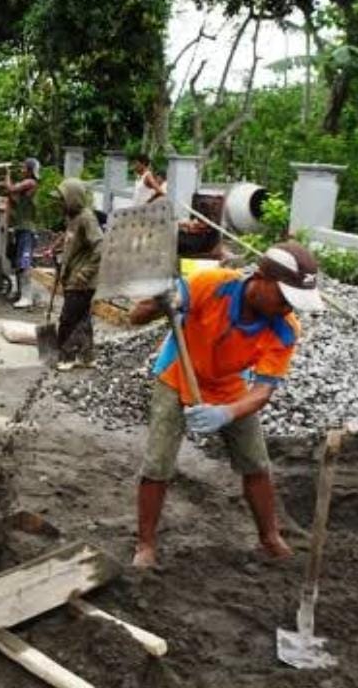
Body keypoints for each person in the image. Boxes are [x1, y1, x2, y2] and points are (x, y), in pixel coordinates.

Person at [129, 242, 324, 568]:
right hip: (178, 374)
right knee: (158, 463)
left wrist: (226, 413)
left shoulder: (285, 328)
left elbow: (262, 392)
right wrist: (162, 304)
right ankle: (146, 544)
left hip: (229, 387)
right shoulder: (212, 285)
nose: (288, 308)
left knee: (257, 464)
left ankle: (269, 537)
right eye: (285, 298)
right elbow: (135, 317)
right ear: (261, 278)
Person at [54, 178, 103, 371]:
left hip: (82, 282)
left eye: (62, 199)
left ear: (72, 198)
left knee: (68, 319)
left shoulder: (86, 218)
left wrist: (85, 273)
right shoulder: (72, 219)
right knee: (82, 319)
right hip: (73, 277)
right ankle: (87, 356)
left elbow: (100, 247)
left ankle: (67, 357)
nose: (60, 203)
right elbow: (71, 243)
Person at [6, 157, 40, 308]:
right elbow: (13, 198)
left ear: (30, 170)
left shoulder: (30, 182)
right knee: (18, 262)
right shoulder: (25, 187)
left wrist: (6, 176)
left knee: (24, 262)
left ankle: (27, 297)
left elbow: (11, 189)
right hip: (21, 228)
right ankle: (21, 293)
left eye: (24, 167)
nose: (21, 170)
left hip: (27, 229)